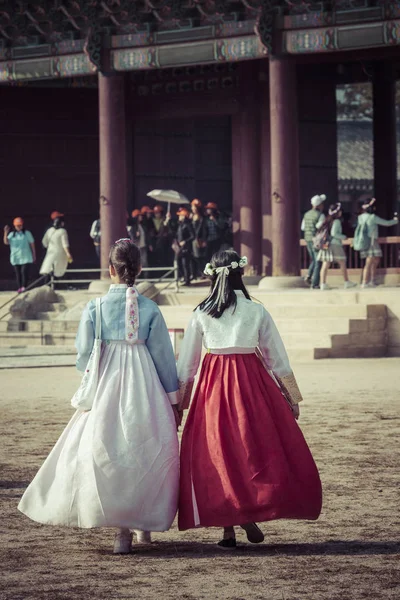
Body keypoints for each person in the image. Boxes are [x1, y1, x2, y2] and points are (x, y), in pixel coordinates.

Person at [18, 239, 181, 554]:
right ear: (139, 269)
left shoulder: (95, 307)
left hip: (106, 380)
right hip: (143, 381)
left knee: (107, 447)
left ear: (110, 270)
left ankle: (122, 531)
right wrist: (173, 400)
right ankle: (143, 522)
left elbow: (82, 354)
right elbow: (163, 357)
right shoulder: (149, 308)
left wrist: (93, 369)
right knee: (144, 446)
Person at [176, 250, 322, 547]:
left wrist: (180, 402)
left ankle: (229, 529)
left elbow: (187, 364)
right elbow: (275, 356)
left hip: (214, 385)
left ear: (212, 276)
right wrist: (291, 396)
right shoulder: (256, 310)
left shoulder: (202, 312)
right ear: (240, 275)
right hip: (251, 383)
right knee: (251, 447)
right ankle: (248, 510)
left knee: (218, 451)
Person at [356, 198, 398, 288]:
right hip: (372, 241)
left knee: (373, 261)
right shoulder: (372, 217)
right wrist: (395, 220)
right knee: (371, 262)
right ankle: (367, 282)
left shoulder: (360, 217)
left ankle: (368, 281)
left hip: (364, 241)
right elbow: (386, 223)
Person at [317, 203, 356, 290]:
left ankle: (322, 284)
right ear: (337, 212)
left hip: (326, 244)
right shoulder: (337, 221)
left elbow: (318, 227)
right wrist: (344, 237)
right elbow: (334, 233)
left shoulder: (326, 220)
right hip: (335, 244)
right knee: (342, 263)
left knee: (325, 264)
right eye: (340, 211)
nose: (341, 212)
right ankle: (346, 282)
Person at [3, 217, 36, 293]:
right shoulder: (12, 234)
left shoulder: (27, 233)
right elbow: (6, 242)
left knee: (24, 272)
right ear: (14, 226)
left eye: (20, 225)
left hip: (26, 256)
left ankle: (24, 286)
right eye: (17, 225)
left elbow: (32, 244)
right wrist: (5, 233)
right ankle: (19, 287)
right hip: (15, 257)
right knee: (18, 273)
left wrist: (34, 254)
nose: (19, 227)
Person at [301, 194, 326, 289]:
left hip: (307, 239)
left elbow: (303, 227)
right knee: (318, 261)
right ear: (319, 205)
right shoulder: (320, 215)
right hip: (316, 240)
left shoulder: (306, 214)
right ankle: (315, 283)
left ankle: (308, 275)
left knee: (314, 259)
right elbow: (319, 227)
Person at [40, 215, 73, 280]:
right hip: (60, 254)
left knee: (49, 269)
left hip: (50, 253)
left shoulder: (49, 230)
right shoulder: (63, 231)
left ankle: (48, 285)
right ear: (62, 223)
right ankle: (62, 285)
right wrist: (68, 254)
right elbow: (65, 244)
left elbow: (44, 242)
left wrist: (49, 247)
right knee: (60, 269)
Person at [175, 208, 195, 286]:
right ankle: (184, 277)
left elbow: (193, 236)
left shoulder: (188, 225)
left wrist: (185, 241)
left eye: (180, 215)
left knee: (185, 264)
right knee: (179, 263)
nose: (179, 216)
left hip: (186, 248)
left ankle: (187, 281)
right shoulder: (180, 225)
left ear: (183, 216)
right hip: (179, 247)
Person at [190, 199, 208, 279]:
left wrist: (204, 240)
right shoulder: (191, 217)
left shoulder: (201, 218)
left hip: (198, 239)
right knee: (193, 256)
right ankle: (194, 273)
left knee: (199, 257)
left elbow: (204, 230)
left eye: (193, 207)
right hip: (192, 239)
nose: (192, 208)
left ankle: (202, 272)